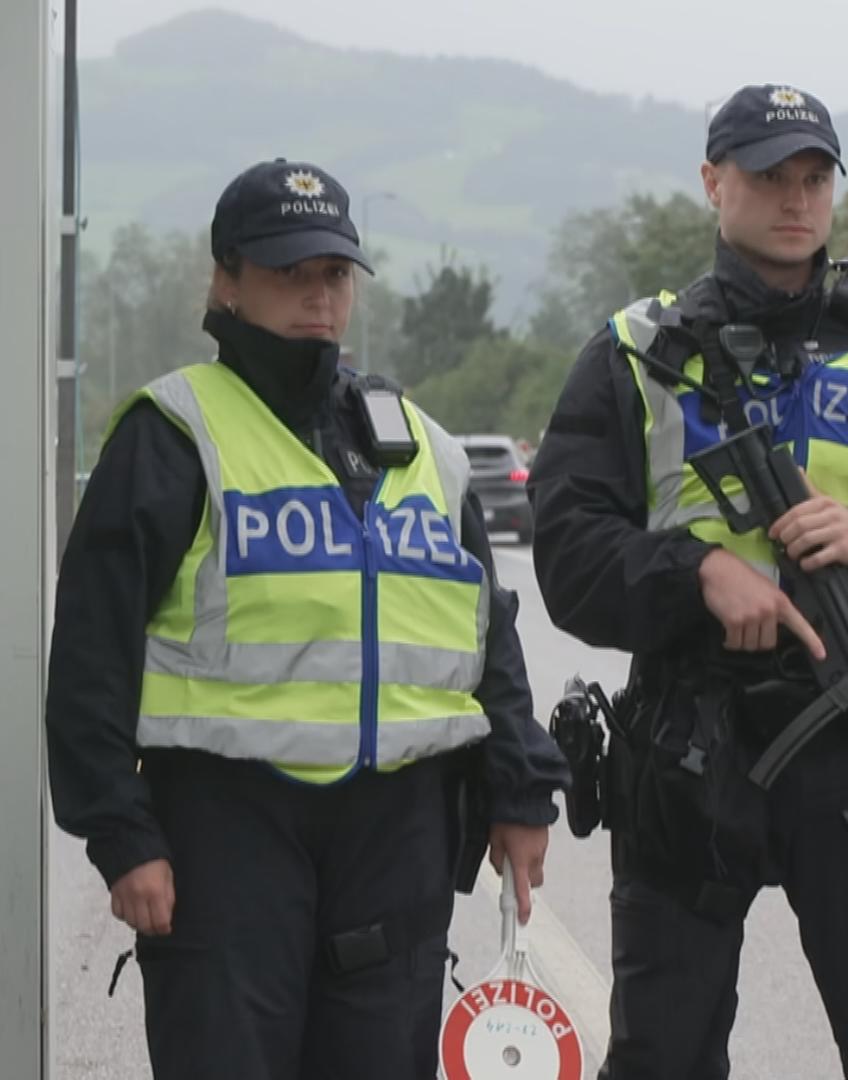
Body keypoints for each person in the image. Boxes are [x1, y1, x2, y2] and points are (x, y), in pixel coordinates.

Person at [530, 84, 848, 1080]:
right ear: (715, 183)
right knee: (664, 1056)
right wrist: (695, 573)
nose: (795, 198)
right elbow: (568, 551)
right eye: (767, 176)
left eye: (814, 176)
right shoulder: (637, 354)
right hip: (686, 747)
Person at [43, 158, 570, 1080]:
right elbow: (92, 652)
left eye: (332, 275)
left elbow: (487, 635)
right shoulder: (174, 435)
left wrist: (521, 792)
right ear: (227, 280)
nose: (317, 297)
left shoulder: (423, 448)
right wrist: (121, 834)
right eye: (290, 273)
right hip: (228, 828)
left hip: (396, 834)